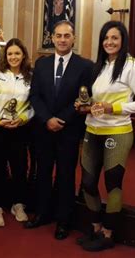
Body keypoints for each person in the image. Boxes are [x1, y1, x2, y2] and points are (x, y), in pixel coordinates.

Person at [76, 21, 135, 251]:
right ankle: (96, 226)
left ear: (123, 41)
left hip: (118, 132)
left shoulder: (131, 67)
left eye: (115, 38)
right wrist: (83, 105)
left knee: (112, 184)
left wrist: (115, 108)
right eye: (106, 38)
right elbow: (92, 98)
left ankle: (109, 233)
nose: (109, 42)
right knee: (88, 183)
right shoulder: (98, 66)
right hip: (92, 129)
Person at [26, 20, 93, 241]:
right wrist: (47, 119)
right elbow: (35, 95)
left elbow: (83, 99)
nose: (62, 39)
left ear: (73, 38)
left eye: (67, 35)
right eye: (58, 35)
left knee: (65, 176)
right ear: (52, 38)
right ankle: (43, 213)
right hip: (43, 130)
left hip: (69, 131)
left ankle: (64, 220)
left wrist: (62, 119)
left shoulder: (85, 66)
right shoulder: (42, 64)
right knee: (43, 173)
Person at [0, 38, 34, 227]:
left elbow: (33, 105)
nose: (13, 57)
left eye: (17, 53)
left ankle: (17, 204)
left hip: (19, 129)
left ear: (23, 56)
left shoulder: (30, 76)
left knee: (20, 167)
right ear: (5, 56)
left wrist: (23, 118)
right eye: (10, 53)